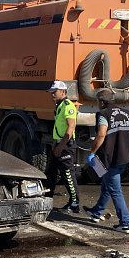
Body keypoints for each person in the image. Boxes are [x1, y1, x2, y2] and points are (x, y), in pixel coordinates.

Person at [83, 88, 129, 234]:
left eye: (98, 101)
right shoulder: (127, 114)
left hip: (110, 159)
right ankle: (97, 212)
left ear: (102, 101)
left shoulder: (104, 114)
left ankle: (125, 223)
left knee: (115, 191)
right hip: (125, 157)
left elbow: (101, 134)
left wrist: (92, 152)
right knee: (107, 185)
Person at [45, 80, 81, 213]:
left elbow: (71, 128)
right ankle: (46, 199)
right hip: (58, 143)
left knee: (68, 175)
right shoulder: (59, 105)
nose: (52, 94)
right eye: (51, 92)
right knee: (51, 173)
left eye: (54, 92)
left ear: (63, 92)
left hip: (65, 145)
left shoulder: (68, 105)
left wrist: (61, 146)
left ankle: (75, 203)